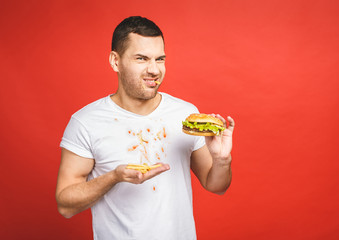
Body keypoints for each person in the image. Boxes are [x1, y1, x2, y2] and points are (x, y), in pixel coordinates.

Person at [56, 16, 235, 240]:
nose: (154, 70)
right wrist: (114, 177)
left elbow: (216, 185)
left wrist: (221, 160)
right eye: (142, 58)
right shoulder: (86, 121)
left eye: (159, 59)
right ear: (115, 61)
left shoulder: (185, 114)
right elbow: (65, 205)